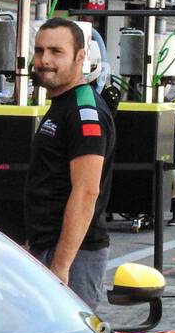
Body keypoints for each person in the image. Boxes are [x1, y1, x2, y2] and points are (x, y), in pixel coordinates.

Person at [23, 17, 116, 311]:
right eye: (39, 51)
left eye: (56, 52)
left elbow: (87, 191)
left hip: (73, 257)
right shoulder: (63, 105)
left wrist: (61, 265)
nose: (44, 60)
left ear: (80, 57)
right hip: (47, 248)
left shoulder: (83, 111)